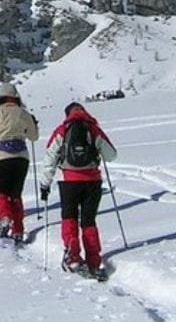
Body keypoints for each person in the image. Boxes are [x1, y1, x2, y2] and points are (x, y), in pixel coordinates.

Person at [38, 102, 117, 278]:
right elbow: (111, 155)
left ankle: (72, 252)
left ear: (67, 114)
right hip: (92, 181)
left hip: (70, 181)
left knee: (69, 217)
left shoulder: (62, 129)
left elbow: (49, 157)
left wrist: (45, 184)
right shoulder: (93, 128)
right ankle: (94, 262)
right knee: (89, 221)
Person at [0, 82, 38, 243]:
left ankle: (4, 216)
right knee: (16, 193)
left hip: (1, 156)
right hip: (21, 157)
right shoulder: (23, 113)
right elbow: (34, 137)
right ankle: (18, 228)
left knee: (2, 191)